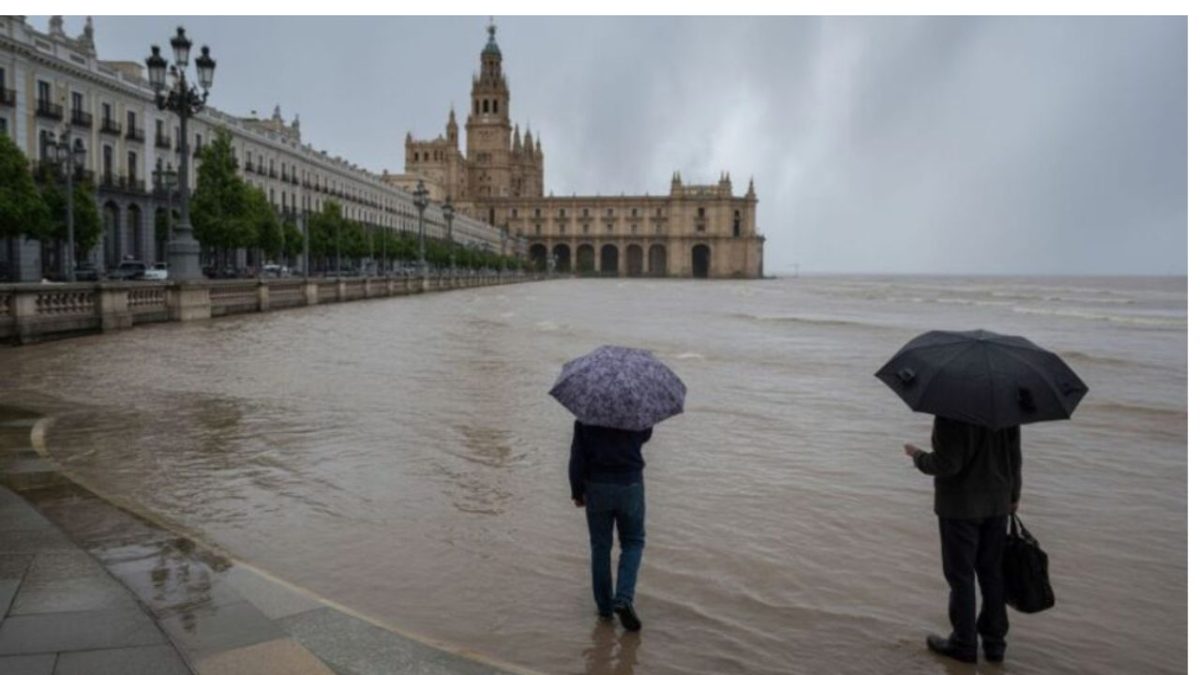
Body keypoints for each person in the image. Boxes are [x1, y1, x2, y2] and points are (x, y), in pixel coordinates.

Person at [905, 415, 1022, 665]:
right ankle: (995, 645)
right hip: (998, 503)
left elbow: (947, 464)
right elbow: (1014, 458)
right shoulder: (1005, 407)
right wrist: (1014, 495)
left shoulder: (950, 412)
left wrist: (917, 456)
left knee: (961, 576)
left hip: (959, 507)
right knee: (992, 574)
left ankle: (964, 644)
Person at [570, 420, 653, 631]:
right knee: (633, 542)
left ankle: (605, 609)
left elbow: (577, 456)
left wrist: (577, 491)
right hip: (630, 483)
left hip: (596, 484)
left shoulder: (586, 416)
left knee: (600, 547)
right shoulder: (638, 412)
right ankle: (623, 598)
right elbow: (645, 436)